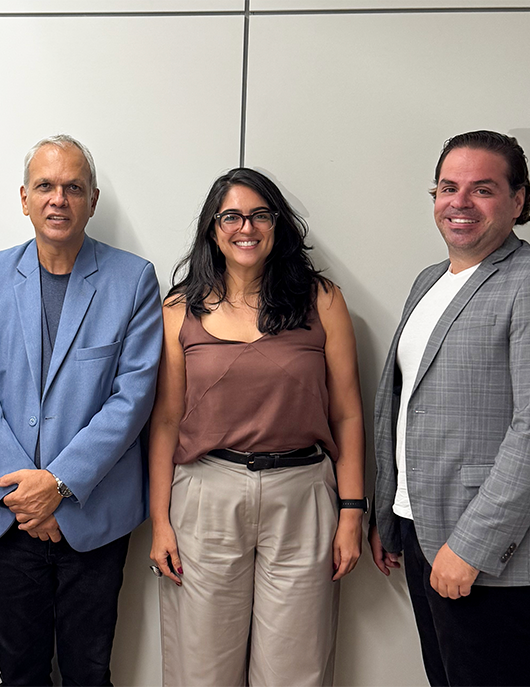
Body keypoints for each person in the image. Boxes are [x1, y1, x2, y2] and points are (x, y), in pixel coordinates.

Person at [368, 130, 530, 687]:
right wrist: (389, 512)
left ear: (519, 201)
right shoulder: (429, 280)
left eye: (483, 189)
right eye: (448, 187)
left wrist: (472, 546)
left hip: (494, 553)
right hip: (422, 528)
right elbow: (408, 404)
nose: (460, 202)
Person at [0, 134, 163, 686]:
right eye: (45, 186)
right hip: (8, 516)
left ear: (93, 200)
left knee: (88, 672)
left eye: (73, 187)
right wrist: (27, 495)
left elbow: (133, 395)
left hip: (93, 518)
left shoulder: (133, 278)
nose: (58, 199)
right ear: (23, 198)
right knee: (18, 673)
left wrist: (61, 485)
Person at [148, 168, 366, 687]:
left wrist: (352, 512)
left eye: (259, 215)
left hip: (304, 495)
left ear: (277, 224)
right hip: (205, 496)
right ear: (213, 229)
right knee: (201, 668)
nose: (246, 227)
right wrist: (160, 522)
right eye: (231, 216)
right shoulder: (178, 310)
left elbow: (349, 414)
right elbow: (164, 423)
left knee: (295, 669)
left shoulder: (323, 301)